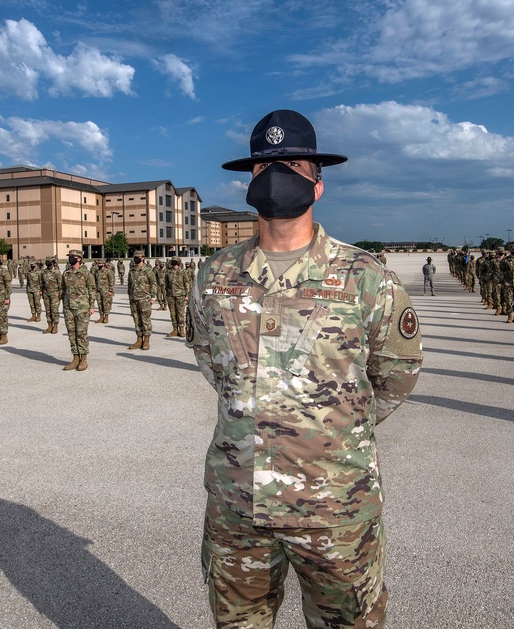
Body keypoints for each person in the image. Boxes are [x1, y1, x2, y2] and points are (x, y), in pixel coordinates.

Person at [186, 109, 422, 628]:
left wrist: (330, 429)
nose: (276, 177)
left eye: (293, 164)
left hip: (335, 503)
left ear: (318, 185)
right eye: (263, 166)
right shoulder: (215, 275)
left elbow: (396, 376)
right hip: (237, 501)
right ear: (249, 181)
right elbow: (210, 360)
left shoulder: (366, 278)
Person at [60, 250, 96, 371]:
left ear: (79, 259)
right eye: (69, 257)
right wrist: (64, 304)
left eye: (72, 257)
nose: (70, 259)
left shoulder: (86, 274)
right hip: (68, 307)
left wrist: (91, 306)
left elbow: (92, 290)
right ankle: (75, 358)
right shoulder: (66, 273)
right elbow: (63, 289)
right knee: (71, 334)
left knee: (81, 334)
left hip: (82, 308)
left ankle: (83, 359)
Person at [126, 249, 157, 350]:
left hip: (144, 299)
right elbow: (130, 285)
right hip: (134, 299)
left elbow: (153, 284)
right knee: (136, 319)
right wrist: (130, 297)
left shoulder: (148, 270)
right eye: (134, 257)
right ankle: (139, 339)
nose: (135, 259)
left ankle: (146, 340)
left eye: (138, 257)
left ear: (142, 258)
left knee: (145, 320)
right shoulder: (132, 271)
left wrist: (153, 297)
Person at [164, 257, 191, 337]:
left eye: (175, 262)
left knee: (180, 313)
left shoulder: (183, 272)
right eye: (172, 261)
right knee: (172, 313)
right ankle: (175, 329)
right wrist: (166, 294)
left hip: (180, 295)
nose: (173, 263)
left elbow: (186, 283)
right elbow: (166, 284)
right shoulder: (168, 272)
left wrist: (187, 295)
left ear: (178, 263)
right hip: (171, 295)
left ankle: (182, 329)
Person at [40, 257, 62, 334]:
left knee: (54, 310)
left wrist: (60, 294)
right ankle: (49, 326)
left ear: (53, 262)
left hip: (55, 293)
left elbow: (60, 284)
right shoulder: (44, 272)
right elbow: (42, 283)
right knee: (48, 310)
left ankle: (55, 326)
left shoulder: (56, 272)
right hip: (46, 293)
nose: (48, 263)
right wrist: (41, 292)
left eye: (49, 261)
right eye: (47, 261)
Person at [92, 259, 115, 323]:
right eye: (98, 264)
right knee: (99, 304)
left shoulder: (108, 271)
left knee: (106, 304)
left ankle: (106, 317)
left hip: (106, 290)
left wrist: (111, 291)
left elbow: (111, 281)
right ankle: (101, 317)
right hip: (98, 290)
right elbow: (94, 281)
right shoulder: (96, 272)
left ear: (103, 264)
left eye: (100, 263)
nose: (99, 265)